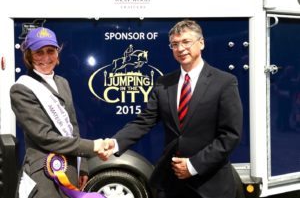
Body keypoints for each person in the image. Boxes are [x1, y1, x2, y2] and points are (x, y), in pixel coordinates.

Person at [98, 19, 243, 198]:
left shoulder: (225, 82)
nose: (180, 49)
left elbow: (230, 135)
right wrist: (116, 142)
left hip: (211, 184)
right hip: (171, 184)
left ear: (201, 43)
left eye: (186, 42)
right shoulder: (164, 83)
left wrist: (193, 165)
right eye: (175, 44)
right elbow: (144, 122)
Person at [10, 27, 104, 198]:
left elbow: (73, 127)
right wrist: (92, 147)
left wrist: (82, 165)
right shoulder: (21, 89)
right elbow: (44, 137)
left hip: (71, 172)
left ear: (58, 53)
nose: (46, 58)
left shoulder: (62, 83)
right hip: (43, 178)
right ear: (29, 55)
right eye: (39, 52)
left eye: (51, 51)